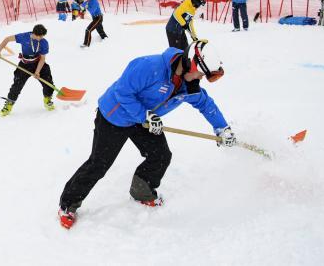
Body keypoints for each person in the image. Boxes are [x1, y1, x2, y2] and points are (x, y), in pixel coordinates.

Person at [57, 40, 235, 229]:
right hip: (114, 116)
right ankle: (67, 204)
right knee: (99, 164)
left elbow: (206, 105)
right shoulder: (149, 66)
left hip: (144, 119)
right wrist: (145, 116)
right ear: (190, 62)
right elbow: (122, 92)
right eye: (200, 73)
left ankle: (142, 191)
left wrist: (222, 128)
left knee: (161, 156)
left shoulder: (188, 85)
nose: (200, 78)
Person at [0, 24, 55, 116]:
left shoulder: (44, 42)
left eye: (42, 36)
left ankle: (47, 99)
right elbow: (7, 39)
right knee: (17, 85)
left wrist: (37, 71)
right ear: (34, 34)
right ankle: (9, 104)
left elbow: (42, 58)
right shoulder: (24, 37)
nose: (41, 38)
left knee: (48, 82)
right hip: (25, 64)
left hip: (37, 63)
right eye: (40, 36)